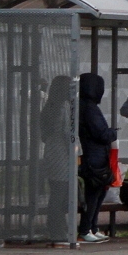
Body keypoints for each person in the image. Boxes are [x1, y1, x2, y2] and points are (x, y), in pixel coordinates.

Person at [77, 73, 115, 244]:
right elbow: (101, 133)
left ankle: (92, 227)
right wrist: (112, 133)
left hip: (93, 155)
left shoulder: (84, 106)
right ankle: (86, 229)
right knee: (93, 195)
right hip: (94, 157)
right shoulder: (90, 108)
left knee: (98, 193)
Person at [38, 76, 75, 242]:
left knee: (56, 192)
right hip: (63, 155)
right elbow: (68, 133)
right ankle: (58, 231)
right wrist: (75, 151)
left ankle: (56, 228)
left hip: (51, 152)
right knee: (61, 195)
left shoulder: (49, 106)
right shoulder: (64, 106)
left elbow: (44, 133)